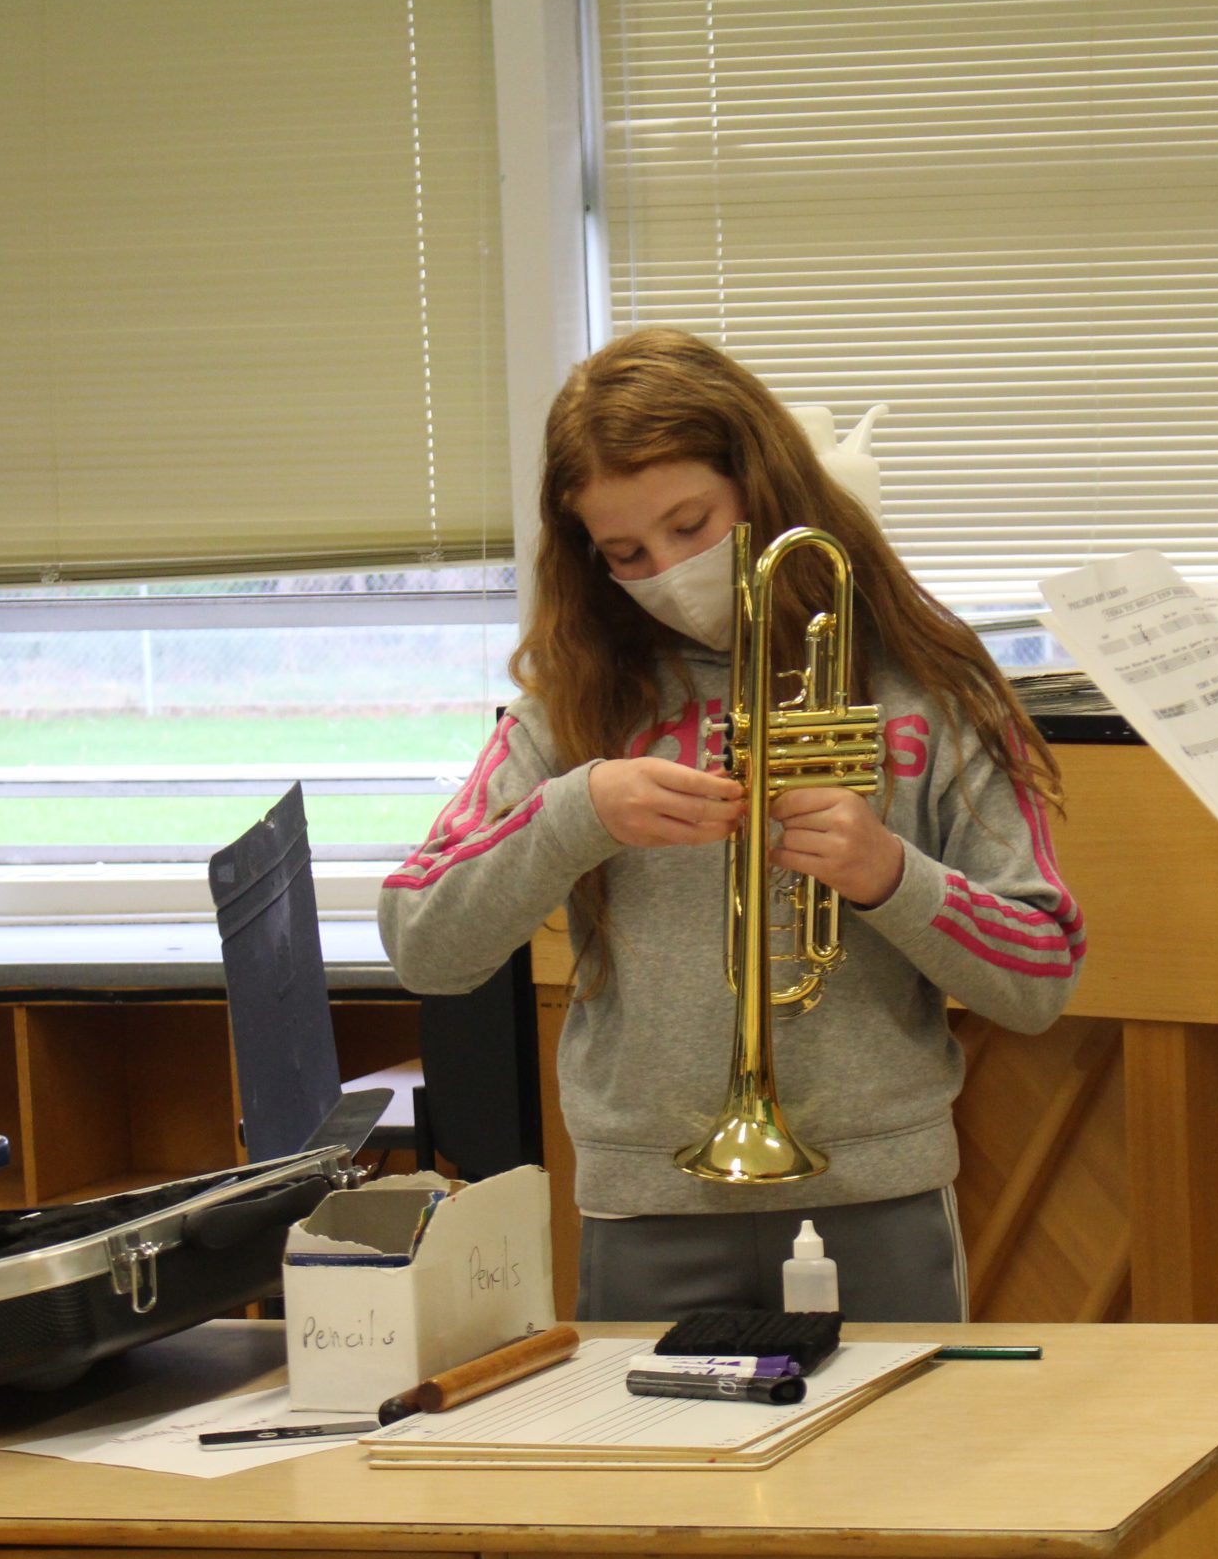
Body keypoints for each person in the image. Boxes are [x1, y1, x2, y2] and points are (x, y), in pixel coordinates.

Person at [379, 328, 1083, 1324]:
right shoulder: (571, 709)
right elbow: (423, 942)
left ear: (764, 487)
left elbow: (1041, 974)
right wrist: (576, 812)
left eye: (690, 524)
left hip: (875, 1196)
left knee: (894, 1478)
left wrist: (890, 874)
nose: (665, 568)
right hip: (644, 1203)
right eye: (626, 552)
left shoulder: (929, 691)